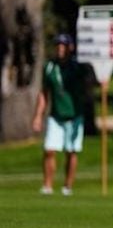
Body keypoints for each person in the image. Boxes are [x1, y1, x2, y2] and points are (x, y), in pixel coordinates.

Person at [31, 33, 89, 196]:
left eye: (63, 45)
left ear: (70, 47)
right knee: (49, 150)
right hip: (56, 116)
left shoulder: (78, 66)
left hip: (74, 115)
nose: (60, 49)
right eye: (58, 45)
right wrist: (38, 116)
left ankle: (67, 186)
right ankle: (47, 185)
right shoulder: (49, 67)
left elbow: (89, 84)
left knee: (71, 151)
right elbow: (44, 93)